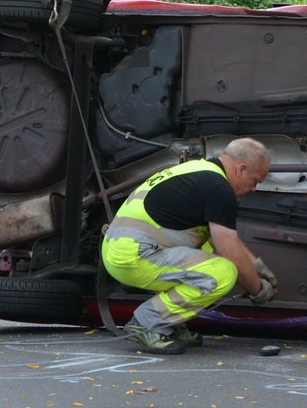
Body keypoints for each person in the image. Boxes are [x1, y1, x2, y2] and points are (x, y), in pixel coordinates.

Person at [101, 138, 278, 354]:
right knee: (222, 272)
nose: (255, 188)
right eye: (255, 181)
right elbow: (228, 250)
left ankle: (170, 324)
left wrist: (256, 267)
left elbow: (222, 241)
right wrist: (258, 290)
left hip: (124, 251)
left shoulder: (199, 171)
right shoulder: (218, 188)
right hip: (134, 256)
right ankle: (147, 322)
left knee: (206, 252)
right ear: (241, 169)